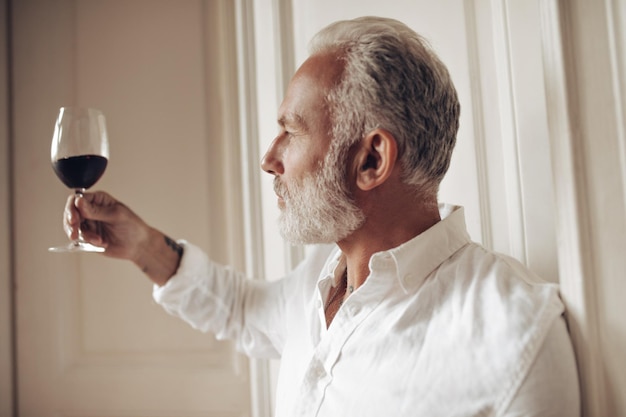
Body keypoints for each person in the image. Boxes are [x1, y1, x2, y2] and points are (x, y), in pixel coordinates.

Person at [63, 16, 580, 417]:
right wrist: (141, 245)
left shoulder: (514, 334)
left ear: (371, 160)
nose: (269, 158)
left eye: (292, 130)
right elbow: (241, 309)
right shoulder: (318, 281)